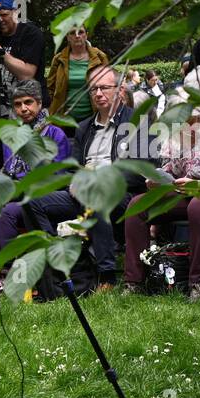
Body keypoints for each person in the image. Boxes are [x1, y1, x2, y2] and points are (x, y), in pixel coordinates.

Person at [25, 64, 155, 289]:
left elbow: (144, 168)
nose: (98, 94)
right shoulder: (85, 126)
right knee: (32, 202)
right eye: (93, 89)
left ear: (120, 90)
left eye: (104, 88)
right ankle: (57, 263)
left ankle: (107, 275)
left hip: (122, 196)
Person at [124, 70, 200, 300]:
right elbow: (171, 167)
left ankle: (197, 282)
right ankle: (134, 281)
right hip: (182, 190)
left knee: (198, 207)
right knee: (137, 205)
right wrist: (157, 179)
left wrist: (199, 185)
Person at [0, 80, 70, 287]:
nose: (23, 109)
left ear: (39, 103)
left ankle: (6, 274)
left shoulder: (54, 134)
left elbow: (58, 177)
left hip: (35, 198)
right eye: (17, 104)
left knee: (5, 212)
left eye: (28, 102)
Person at [46, 25, 109, 124]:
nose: (77, 35)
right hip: (63, 120)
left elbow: (109, 86)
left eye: (81, 32)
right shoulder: (58, 59)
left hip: (93, 118)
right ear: (67, 37)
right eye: (72, 33)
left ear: (86, 35)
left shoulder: (100, 57)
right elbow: (50, 88)